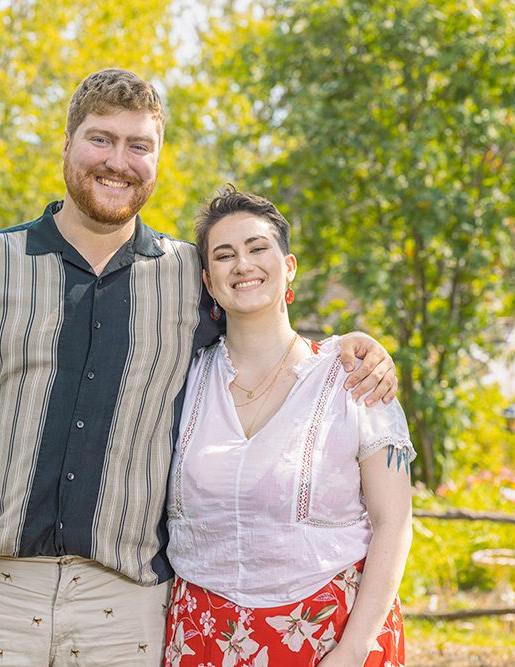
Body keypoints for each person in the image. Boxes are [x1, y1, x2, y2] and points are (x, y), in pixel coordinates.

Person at [0, 69, 398, 666]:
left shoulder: (189, 277)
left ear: (157, 160)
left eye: (138, 146)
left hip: (124, 605)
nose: (117, 161)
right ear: (67, 145)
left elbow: (263, 324)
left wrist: (350, 346)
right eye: (101, 139)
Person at [164, 188, 414, 667]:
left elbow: (394, 522)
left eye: (258, 248)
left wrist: (354, 649)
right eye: (224, 255)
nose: (243, 264)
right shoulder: (181, 379)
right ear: (208, 281)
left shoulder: (352, 375)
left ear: (289, 265)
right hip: (202, 634)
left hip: (328, 634)